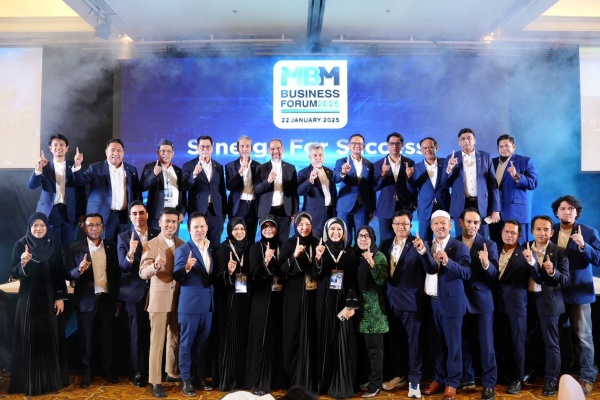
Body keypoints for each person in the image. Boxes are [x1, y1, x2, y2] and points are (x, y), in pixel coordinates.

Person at [8, 212, 69, 396]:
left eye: (42, 225)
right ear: (29, 227)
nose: (38, 228)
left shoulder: (53, 244)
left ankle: (50, 382)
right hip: (28, 299)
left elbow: (59, 273)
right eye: (35, 225)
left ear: (47, 227)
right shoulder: (21, 245)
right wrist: (23, 264)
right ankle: (29, 383)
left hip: (49, 298)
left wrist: (60, 297)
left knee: (49, 338)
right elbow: (13, 273)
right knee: (29, 338)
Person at [551, 195, 600, 395]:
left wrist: (583, 246)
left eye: (571, 208)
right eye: (563, 208)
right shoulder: (550, 230)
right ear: (557, 212)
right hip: (556, 292)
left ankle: (587, 377)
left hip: (579, 292)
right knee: (561, 335)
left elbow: (598, 259)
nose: (567, 211)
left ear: (576, 212)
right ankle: (566, 374)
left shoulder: (588, 231)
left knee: (583, 336)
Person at [66, 213, 121, 388]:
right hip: (86, 301)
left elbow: (117, 275)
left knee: (107, 338)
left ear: (103, 226)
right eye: (90, 225)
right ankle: (87, 374)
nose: (94, 228)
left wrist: (117, 299)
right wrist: (79, 270)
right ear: (84, 227)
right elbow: (68, 273)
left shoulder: (112, 247)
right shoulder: (75, 248)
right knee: (86, 340)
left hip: (107, 299)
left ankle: (107, 371)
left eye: (98, 225)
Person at [421, 210, 471, 400]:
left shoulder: (459, 247)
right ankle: (438, 378)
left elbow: (466, 273)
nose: (440, 226)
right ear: (431, 226)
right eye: (436, 223)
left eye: (443, 223)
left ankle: (452, 382)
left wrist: (448, 261)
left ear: (450, 225)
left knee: (453, 345)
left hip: (452, 303)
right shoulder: (427, 245)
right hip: (431, 302)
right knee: (436, 344)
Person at [380, 210, 430, 398]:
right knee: (395, 342)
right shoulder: (385, 244)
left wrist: (423, 251)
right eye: (398, 224)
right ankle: (398, 375)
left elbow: (431, 268)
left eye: (405, 224)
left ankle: (414, 381)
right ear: (392, 225)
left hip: (412, 304)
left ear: (411, 225)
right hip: (390, 302)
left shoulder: (418, 244)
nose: (401, 227)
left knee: (414, 344)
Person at [139, 207, 185, 398]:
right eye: (167, 221)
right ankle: (155, 381)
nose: (170, 225)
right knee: (157, 342)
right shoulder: (151, 244)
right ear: (159, 223)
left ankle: (171, 372)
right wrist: (155, 266)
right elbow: (143, 272)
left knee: (174, 337)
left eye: (174, 222)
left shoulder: (182, 243)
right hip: (159, 299)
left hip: (179, 298)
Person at [523, 215, 569, 396]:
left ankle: (550, 380)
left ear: (552, 232)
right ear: (532, 231)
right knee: (528, 339)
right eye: (538, 229)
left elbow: (565, 279)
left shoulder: (559, 252)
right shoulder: (524, 247)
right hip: (527, 301)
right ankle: (529, 372)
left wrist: (552, 271)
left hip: (549, 302)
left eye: (546, 229)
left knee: (551, 343)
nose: (542, 233)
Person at [457, 208, 498, 400]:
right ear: (461, 222)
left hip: (482, 301)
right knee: (462, 340)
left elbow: (495, 274)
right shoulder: (453, 242)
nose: (472, 226)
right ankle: (468, 377)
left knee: (487, 345)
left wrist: (486, 263)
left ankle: (489, 384)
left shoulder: (489, 244)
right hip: (458, 300)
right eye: (469, 222)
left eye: (476, 222)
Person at [314, 218, 357, 399]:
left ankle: (340, 384)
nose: (336, 232)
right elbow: (315, 275)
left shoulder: (350, 252)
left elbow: (353, 280)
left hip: (343, 302)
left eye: (339, 229)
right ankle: (323, 383)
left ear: (344, 232)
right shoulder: (321, 249)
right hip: (324, 300)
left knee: (342, 339)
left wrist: (351, 304)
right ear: (327, 231)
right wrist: (317, 258)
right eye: (332, 229)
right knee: (325, 338)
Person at [173, 212, 215, 396]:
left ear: (207, 228)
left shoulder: (211, 249)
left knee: (202, 344)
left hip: (208, 305)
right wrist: (187, 267)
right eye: (195, 227)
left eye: (202, 226)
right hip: (189, 305)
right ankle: (186, 379)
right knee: (186, 344)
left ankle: (199, 377)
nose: (199, 230)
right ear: (189, 230)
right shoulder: (183, 250)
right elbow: (177, 275)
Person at [116, 200, 156, 387]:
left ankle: (153, 370)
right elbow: (123, 267)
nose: (138, 216)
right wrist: (131, 253)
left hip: (157, 291)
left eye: (141, 212)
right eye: (134, 213)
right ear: (130, 217)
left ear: (147, 214)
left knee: (154, 333)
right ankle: (138, 371)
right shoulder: (123, 237)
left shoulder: (158, 233)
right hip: (134, 293)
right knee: (136, 333)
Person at [27, 133, 85, 257]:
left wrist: (78, 166)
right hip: (49, 213)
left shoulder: (73, 165)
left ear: (67, 148)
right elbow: (31, 185)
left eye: (62, 144)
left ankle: (68, 270)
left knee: (69, 249)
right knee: (49, 249)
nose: (58, 147)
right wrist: (38, 169)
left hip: (69, 213)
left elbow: (81, 186)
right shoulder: (44, 166)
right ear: (50, 148)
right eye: (55, 145)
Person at [280, 212, 319, 391]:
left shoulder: (317, 243)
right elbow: (281, 270)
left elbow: (322, 270)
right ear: (295, 226)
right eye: (300, 224)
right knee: (293, 334)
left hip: (313, 295)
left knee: (312, 333)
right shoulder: (288, 244)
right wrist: (294, 257)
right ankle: (292, 379)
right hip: (293, 295)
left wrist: (318, 259)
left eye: (307, 224)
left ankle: (311, 378)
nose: (304, 228)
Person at [245, 216, 285, 395]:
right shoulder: (255, 248)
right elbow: (253, 273)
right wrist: (266, 262)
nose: (269, 229)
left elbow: (285, 271)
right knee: (260, 338)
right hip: (260, 298)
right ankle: (258, 381)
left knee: (275, 337)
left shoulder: (282, 246)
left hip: (278, 298)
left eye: (272, 226)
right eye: (265, 227)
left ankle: (275, 379)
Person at [75, 138, 142, 242]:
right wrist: (78, 166)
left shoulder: (131, 170)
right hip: (102, 216)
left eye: (119, 150)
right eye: (112, 150)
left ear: (123, 153)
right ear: (106, 152)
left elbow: (136, 192)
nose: (116, 153)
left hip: (124, 217)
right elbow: (81, 182)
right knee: (103, 247)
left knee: (123, 245)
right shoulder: (95, 168)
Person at [493, 220, 530, 395]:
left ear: (519, 235)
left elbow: (537, 275)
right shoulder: (493, 250)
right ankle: (503, 375)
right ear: (501, 233)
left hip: (517, 306)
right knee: (501, 341)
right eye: (506, 232)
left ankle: (517, 378)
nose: (509, 235)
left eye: (513, 233)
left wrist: (533, 262)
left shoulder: (525, 253)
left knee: (518, 345)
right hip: (496, 305)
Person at [214, 217, 251, 391]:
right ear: (229, 230)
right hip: (228, 300)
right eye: (236, 229)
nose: (239, 232)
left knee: (243, 337)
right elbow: (216, 277)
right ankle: (227, 379)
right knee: (229, 338)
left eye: (242, 229)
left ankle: (241, 378)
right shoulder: (222, 249)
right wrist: (228, 271)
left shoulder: (250, 247)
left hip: (246, 300)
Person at [443, 128, 500, 237]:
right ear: (459, 143)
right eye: (463, 139)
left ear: (474, 140)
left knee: (482, 238)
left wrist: (496, 209)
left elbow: (493, 184)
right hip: (460, 205)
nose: (466, 141)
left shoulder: (485, 156)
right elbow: (444, 185)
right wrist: (449, 169)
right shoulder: (451, 158)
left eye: (469, 138)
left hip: (481, 204)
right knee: (461, 238)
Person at [354, 225, 388, 398]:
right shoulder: (356, 256)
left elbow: (382, 280)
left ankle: (376, 384)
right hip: (358, 311)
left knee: (375, 351)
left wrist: (372, 263)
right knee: (363, 350)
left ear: (373, 238)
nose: (363, 239)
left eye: (366, 236)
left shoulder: (379, 256)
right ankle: (368, 379)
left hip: (374, 313)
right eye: (360, 236)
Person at [490, 134, 538, 247]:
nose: (504, 148)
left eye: (507, 146)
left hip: (516, 213)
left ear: (514, 147)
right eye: (501, 146)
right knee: (496, 248)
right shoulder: (492, 162)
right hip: (495, 214)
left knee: (519, 249)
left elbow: (533, 183)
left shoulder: (525, 161)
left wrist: (516, 176)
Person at [182, 136, 227, 249]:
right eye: (202, 147)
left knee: (215, 246)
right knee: (197, 246)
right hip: (197, 211)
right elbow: (185, 186)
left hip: (216, 213)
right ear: (197, 148)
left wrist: (223, 213)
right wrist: (194, 174)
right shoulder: (189, 165)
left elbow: (222, 190)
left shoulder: (219, 167)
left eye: (208, 147)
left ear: (212, 148)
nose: (205, 149)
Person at [373, 133, 416, 244]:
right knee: (385, 241)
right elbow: (375, 187)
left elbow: (413, 188)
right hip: (385, 208)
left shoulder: (409, 163)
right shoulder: (378, 164)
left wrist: (409, 178)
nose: (394, 146)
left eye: (397, 143)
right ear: (387, 145)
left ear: (402, 145)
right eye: (391, 143)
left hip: (404, 206)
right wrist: (383, 174)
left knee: (404, 239)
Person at [334, 134, 376, 245]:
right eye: (354, 143)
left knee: (362, 237)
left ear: (364, 146)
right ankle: (344, 256)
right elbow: (335, 179)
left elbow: (371, 188)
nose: (357, 145)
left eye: (360, 144)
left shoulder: (369, 164)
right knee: (344, 238)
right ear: (349, 145)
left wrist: (372, 208)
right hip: (344, 206)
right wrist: (343, 172)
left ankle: (360, 256)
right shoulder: (341, 162)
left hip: (362, 206)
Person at [406, 137, 450, 242]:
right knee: (424, 240)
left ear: (436, 148)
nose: (428, 150)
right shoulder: (416, 168)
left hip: (443, 206)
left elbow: (450, 182)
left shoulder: (446, 163)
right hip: (425, 208)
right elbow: (412, 190)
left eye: (430, 147)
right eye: (425, 148)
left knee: (445, 240)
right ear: (421, 150)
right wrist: (408, 178)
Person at [255, 139, 299, 242]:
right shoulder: (261, 168)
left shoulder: (291, 168)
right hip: (267, 211)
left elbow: (294, 192)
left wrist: (295, 212)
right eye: (272, 149)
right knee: (267, 243)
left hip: (285, 211)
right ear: (268, 151)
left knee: (284, 242)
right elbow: (256, 189)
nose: (276, 151)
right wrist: (268, 181)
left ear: (283, 150)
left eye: (278, 148)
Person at [141, 139, 186, 231]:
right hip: (157, 216)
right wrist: (154, 174)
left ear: (173, 154)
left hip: (174, 215)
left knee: (173, 240)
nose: (166, 154)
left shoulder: (178, 171)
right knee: (156, 240)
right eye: (163, 151)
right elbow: (143, 186)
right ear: (158, 153)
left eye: (169, 151)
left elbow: (183, 194)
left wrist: (182, 212)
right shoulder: (150, 167)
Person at [297, 143, 337, 239]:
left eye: (320, 155)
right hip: (314, 215)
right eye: (315, 155)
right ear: (310, 157)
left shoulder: (330, 172)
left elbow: (333, 193)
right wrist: (310, 180)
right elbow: (300, 191)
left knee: (330, 241)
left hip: (330, 213)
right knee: (315, 242)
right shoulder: (304, 172)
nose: (318, 158)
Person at [226, 135, 261, 243]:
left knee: (251, 237)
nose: (245, 149)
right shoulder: (230, 166)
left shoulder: (258, 166)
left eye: (247, 146)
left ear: (251, 148)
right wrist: (240, 171)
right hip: (238, 206)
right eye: (242, 146)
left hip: (253, 206)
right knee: (236, 237)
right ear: (238, 149)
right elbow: (229, 186)